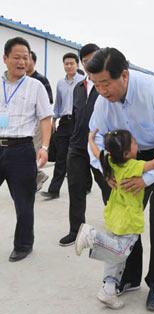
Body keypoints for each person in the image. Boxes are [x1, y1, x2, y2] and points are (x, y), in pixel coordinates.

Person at [87, 47, 154, 311]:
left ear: (124, 75)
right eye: (96, 84)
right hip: (129, 156)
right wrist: (107, 171)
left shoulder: (152, 91)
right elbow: (95, 137)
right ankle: (130, 277)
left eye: (106, 83)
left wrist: (148, 177)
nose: (102, 90)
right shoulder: (102, 101)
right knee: (125, 219)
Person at [76, 129, 154, 309]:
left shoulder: (109, 161)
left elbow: (96, 152)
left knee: (115, 260)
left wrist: (90, 138)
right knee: (120, 251)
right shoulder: (133, 166)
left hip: (113, 215)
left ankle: (108, 289)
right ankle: (92, 236)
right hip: (128, 220)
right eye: (135, 143)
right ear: (127, 153)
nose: (139, 145)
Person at [0, 37, 52, 262]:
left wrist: (44, 147)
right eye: (17, 57)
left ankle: (23, 244)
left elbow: (45, 117)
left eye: (26, 57)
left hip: (21, 149)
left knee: (23, 201)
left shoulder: (36, 86)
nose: (22, 62)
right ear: (5, 59)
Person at [58, 43, 111, 247]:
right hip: (78, 147)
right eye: (86, 60)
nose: (90, 63)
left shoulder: (106, 84)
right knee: (75, 188)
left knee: (108, 188)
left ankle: (117, 226)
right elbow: (75, 115)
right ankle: (76, 230)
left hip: (100, 148)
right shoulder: (79, 88)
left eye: (94, 58)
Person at [41, 52, 84, 200]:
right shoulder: (60, 83)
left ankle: (85, 185)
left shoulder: (83, 81)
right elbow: (58, 104)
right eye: (66, 63)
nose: (69, 66)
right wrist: (54, 121)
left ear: (77, 64)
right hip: (64, 122)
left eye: (72, 63)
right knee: (61, 156)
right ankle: (54, 190)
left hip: (79, 121)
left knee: (79, 156)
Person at [26, 50, 54, 192]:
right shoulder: (20, 79)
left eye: (27, 59)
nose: (24, 62)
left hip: (37, 122)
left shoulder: (40, 80)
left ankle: (37, 177)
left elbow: (48, 101)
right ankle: (38, 176)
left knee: (34, 151)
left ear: (34, 62)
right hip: (24, 123)